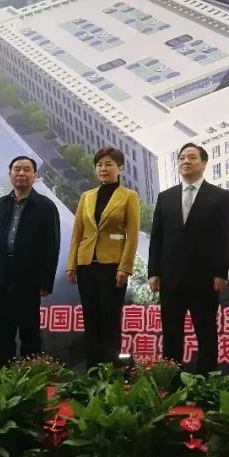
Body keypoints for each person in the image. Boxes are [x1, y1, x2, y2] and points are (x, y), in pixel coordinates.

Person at [148, 143, 229, 373]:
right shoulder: (165, 197)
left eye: (192, 157)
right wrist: (153, 272)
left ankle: (206, 380)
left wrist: (220, 273)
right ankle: (171, 380)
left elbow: (224, 238)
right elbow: (157, 237)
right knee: (171, 333)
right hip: (171, 278)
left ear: (203, 163)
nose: (186, 161)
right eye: (182, 158)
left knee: (206, 333)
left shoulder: (219, 196)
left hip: (204, 279)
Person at [0, 155, 61, 366]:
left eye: (26, 169)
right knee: (3, 334)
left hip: (29, 279)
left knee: (30, 334)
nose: (21, 173)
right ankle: (3, 377)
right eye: (17, 169)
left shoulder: (46, 207)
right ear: (9, 174)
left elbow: (52, 246)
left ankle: (30, 378)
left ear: (35, 175)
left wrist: (46, 281)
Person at [65, 147, 140, 369]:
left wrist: (125, 268)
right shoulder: (86, 196)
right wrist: (71, 265)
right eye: (99, 165)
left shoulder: (129, 196)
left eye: (108, 164)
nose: (103, 169)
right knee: (91, 320)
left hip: (112, 267)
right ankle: (93, 370)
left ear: (120, 168)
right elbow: (77, 233)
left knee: (110, 320)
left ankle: (112, 370)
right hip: (86, 265)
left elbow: (132, 235)